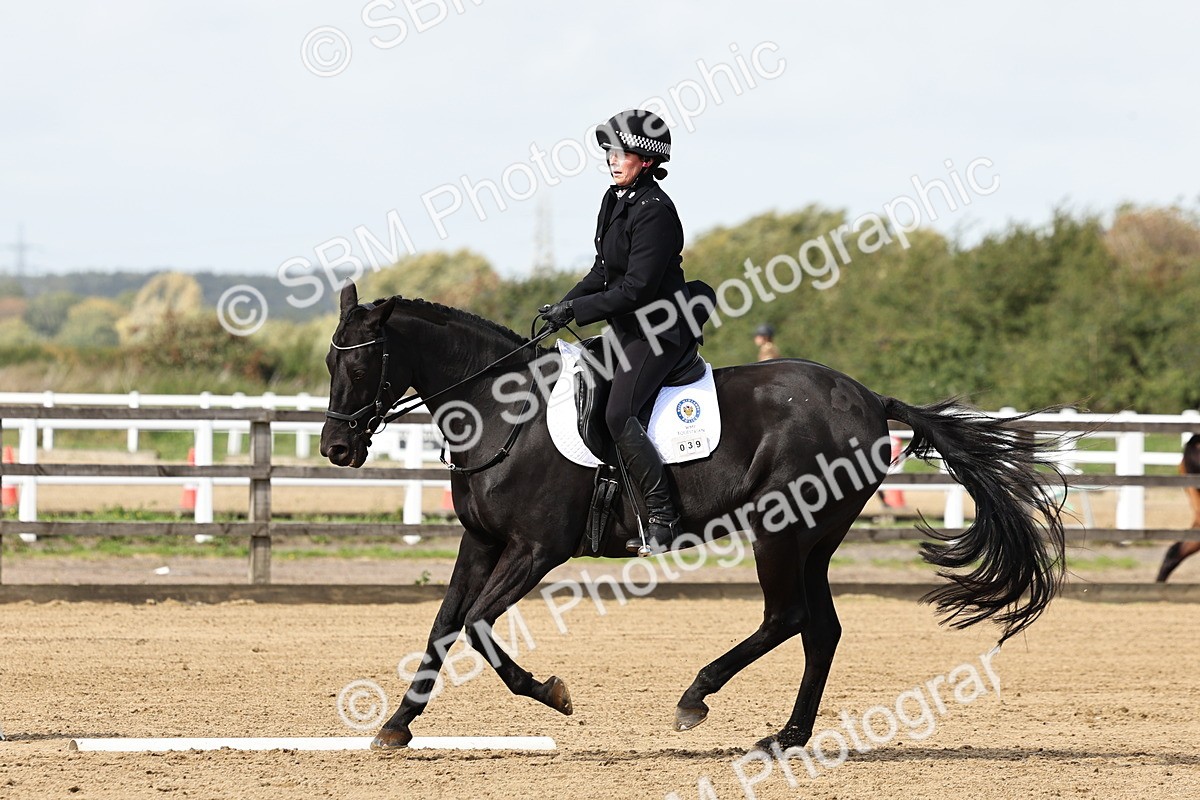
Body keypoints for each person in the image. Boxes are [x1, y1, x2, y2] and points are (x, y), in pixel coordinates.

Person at [539, 109, 694, 555]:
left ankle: (663, 517)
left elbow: (636, 288)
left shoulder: (657, 213)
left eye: (621, 151)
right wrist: (563, 307)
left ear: (645, 160)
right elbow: (603, 271)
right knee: (578, 389)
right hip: (627, 328)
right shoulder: (614, 200)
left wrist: (580, 309)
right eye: (609, 150)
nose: (611, 158)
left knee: (616, 413)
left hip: (659, 330)